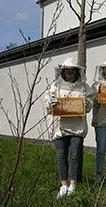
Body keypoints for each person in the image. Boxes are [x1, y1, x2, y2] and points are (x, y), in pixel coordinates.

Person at [44, 57, 95, 198]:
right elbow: (47, 102)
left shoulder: (84, 86)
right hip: (60, 126)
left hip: (77, 127)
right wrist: (51, 102)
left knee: (74, 156)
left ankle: (73, 184)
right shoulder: (55, 86)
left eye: (72, 71)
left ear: (77, 72)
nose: (70, 73)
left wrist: (87, 102)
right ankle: (64, 185)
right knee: (61, 156)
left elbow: (91, 100)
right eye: (67, 71)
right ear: (63, 72)